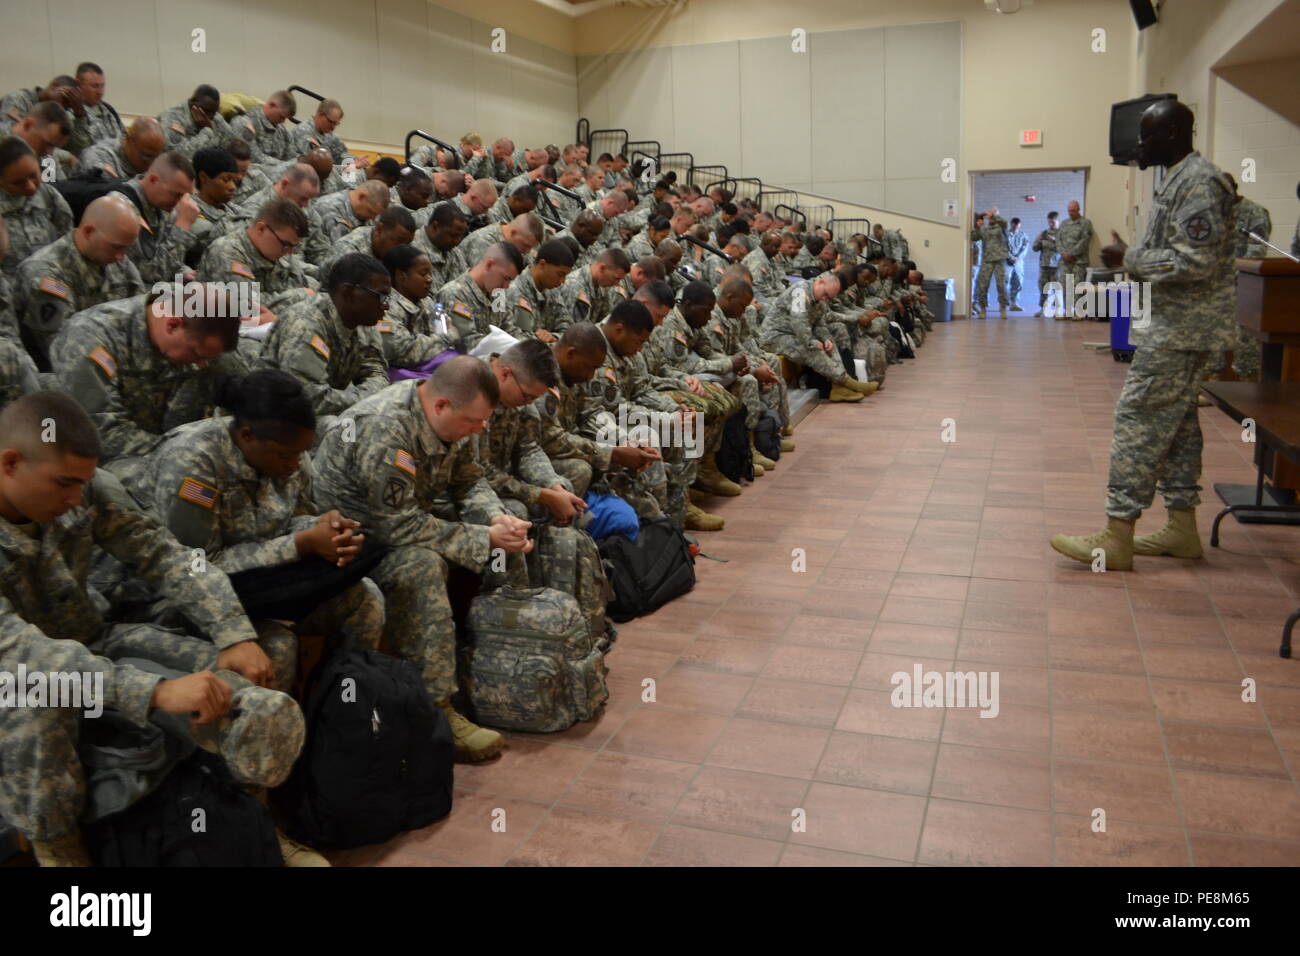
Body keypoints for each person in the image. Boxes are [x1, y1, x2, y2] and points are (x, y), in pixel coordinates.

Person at [0, 391, 309, 867]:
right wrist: (155, 691)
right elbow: (19, 653)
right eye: (64, 484)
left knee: (255, 698)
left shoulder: (84, 489)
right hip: (18, 678)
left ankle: (245, 825)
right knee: (39, 702)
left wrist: (233, 633)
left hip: (92, 641)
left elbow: (166, 557)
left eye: (82, 484)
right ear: (10, 462)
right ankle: (60, 855)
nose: (75, 500)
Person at [311, 356, 534, 762]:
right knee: (422, 566)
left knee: (507, 541)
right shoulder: (386, 428)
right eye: (473, 422)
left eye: (484, 422)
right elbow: (396, 529)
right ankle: (438, 709)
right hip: (356, 543)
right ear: (441, 405)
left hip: (406, 519)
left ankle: (502, 668)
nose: (479, 430)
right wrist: (484, 537)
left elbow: (469, 480)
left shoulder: (460, 419)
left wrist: (495, 517)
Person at [1051, 100, 1239, 571]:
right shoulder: (1178, 179)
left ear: (1174, 133)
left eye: (1148, 135)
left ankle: (1117, 535)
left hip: (1182, 328)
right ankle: (1181, 527)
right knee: (1177, 427)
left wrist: (1128, 259)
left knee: (1137, 419)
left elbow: (1195, 261)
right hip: (1176, 324)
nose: (1140, 144)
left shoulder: (1198, 182)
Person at [147, 368, 385, 694]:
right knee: (276, 650)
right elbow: (194, 566)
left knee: (367, 600)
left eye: (302, 453)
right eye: (286, 455)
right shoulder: (193, 463)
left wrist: (324, 528)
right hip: (200, 604)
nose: (296, 464)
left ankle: (344, 713)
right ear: (246, 435)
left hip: (270, 586)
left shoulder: (288, 452)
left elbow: (296, 516)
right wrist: (301, 544)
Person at [14, 193, 144, 371]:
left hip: (112, 357)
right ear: (89, 232)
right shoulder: (45, 275)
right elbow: (63, 350)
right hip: (61, 374)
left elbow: (140, 312)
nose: (122, 256)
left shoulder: (114, 256)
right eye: (117, 247)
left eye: (127, 248)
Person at [257, 252, 390, 424]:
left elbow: (376, 371)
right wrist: (365, 400)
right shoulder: (306, 323)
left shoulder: (364, 323)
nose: (386, 305)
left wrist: (366, 398)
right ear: (348, 292)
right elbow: (307, 397)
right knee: (345, 429)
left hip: (316, 414)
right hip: (273, 418)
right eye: (380, 296)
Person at [0, 136, 73, 278]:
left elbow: (68, 243)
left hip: (53, 285)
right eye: (18, 183)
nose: (31, 186)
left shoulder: (49, 195)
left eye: (33, 175)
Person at [378, 243, 455, 371]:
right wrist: (447, 338)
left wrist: (444, 337)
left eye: (430, 274)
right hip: (397, 375)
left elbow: (443, 328)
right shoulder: (385, 307)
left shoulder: (427, 301)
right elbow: (406, 353)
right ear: (401, 276)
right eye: (423, 274)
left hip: (428, 368)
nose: (430, 279)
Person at [80, 117, 164, 180]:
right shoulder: (98, 157)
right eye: (146, 156)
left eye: (156, 158)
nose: (151, 164)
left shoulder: (149, 159)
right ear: (128, 140)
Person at [1056, 199, 1094, 316]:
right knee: (1064, 285)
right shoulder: (1063, 223)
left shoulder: (1085, 223)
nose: (1070, 213)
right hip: (1065, 262)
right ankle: (1067, 311)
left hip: (1079, 261)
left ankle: (1078, 312)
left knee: (1078, 287)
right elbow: (1058, 240)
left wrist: (1071, 254)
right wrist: (1063, 253)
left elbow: (1084, 241)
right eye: (1069, 210)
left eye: (1073, 210)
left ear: (1078, 210)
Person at [971, 207, 1010, 318]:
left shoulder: (1002, 227)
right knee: (982, 285)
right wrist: (978, 226)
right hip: (987, 260)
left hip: (1000, 259)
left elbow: (1004, 222)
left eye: (993, 214)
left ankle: (1003, 308)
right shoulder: (984, 229)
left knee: (1002, 285)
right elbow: (973, 237)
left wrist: (993, 215)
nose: (991, 216)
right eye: (990, 214)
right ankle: (983, 308)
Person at [74, 63, 125, 146]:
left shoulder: (109, 110)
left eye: (102, 86)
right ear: (78, 85)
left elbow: (124, 139)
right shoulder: (72, 115)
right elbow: (82, 147)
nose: (100, 92)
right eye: (95, 86)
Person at [1032, 211, 1060, 317]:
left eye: (1053, 222)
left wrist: (1055, 241)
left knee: (1056, 288)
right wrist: (1038, 241)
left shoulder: (1061, 234)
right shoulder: (1044, 233)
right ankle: (1043, 309)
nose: (1051, 224)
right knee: (1043, 287)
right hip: (1044, 265)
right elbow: (1034, 248)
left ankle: (1058, 310)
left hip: (1056, 266)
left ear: (1057, 221)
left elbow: (1065, 248)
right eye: (1049, 222)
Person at [1005, 217, 1030, 310]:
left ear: (1020, 225)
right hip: (1007, 262)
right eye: (1014, 225)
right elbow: (1003, 247)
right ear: (1011, 224)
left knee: (1018, 282)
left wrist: (1018, 258)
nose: (1016, 227)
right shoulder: (1005, 235)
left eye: (1018, 225)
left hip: (1018, 262)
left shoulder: (1023, 235)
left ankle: (1014, 303)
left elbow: (1025, 248)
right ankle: (1004, 302)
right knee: (1005, 282)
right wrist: (1011, 258)